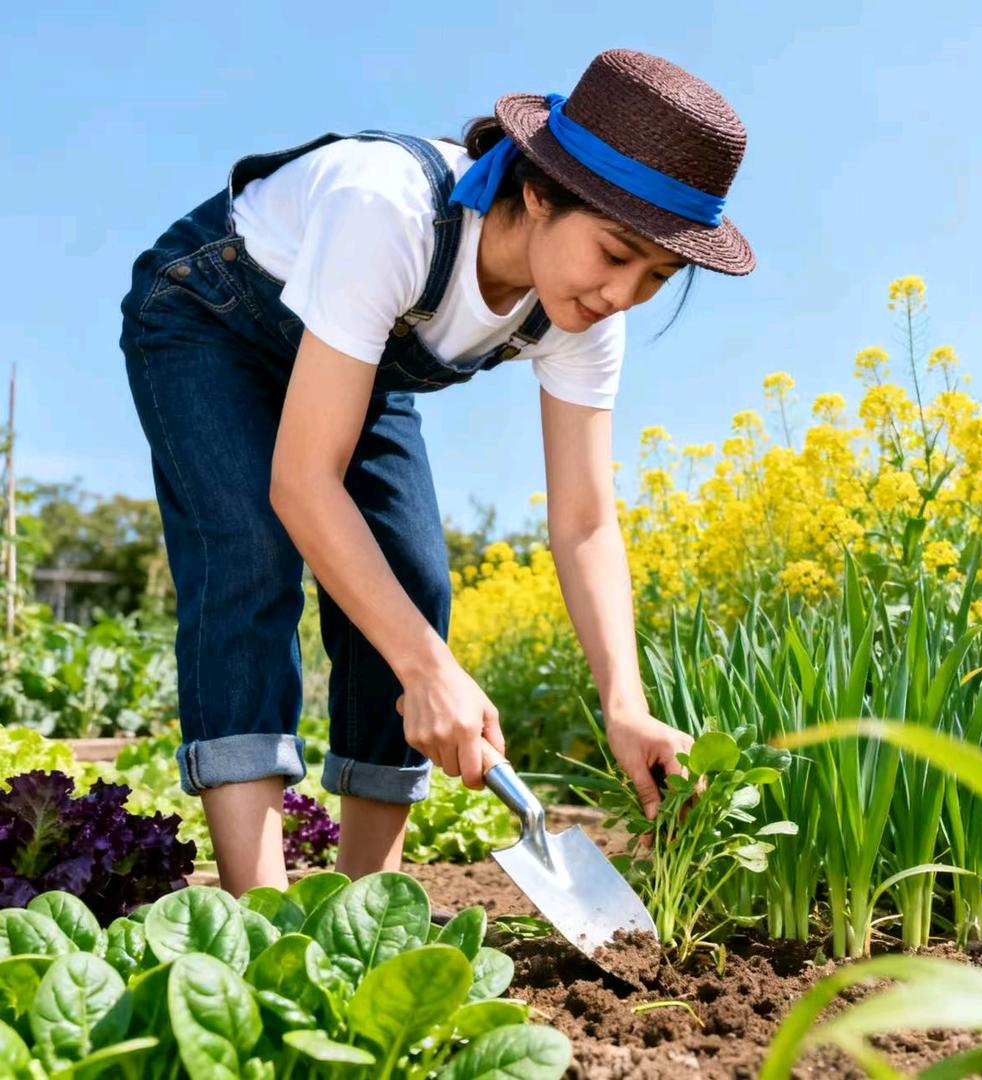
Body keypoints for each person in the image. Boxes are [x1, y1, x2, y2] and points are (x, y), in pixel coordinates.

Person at [119, 47, 755, 897]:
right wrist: (427, 671)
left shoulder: (586, 313)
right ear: (540, 192)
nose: (621, 294)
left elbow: (584, 522)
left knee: (413, 586)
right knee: (250, 557)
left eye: (657, 277)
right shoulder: (389, 210)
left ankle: (363, 911)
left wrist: (626, 706)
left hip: (354, 357)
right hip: (210, 316)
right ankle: (257, 919)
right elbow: (303, 481)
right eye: (615, 254)